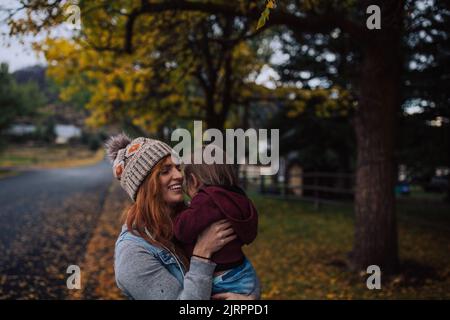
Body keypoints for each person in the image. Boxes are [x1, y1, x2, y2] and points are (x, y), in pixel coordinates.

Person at [105, 133, 260, 300]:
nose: (179, 176)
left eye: (178, 168)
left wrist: (250, 299)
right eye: (165, 171)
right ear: (145, 186)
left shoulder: (195, 216)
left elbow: (238, 269)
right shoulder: (133, 253)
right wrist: (202, 253)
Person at [173, 159, 259, 295]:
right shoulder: (239, 198)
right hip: (243, 272)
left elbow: (182, 231)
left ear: (193, 180)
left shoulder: (206, 200)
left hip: (223, 281)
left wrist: (179, 214)